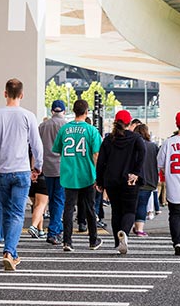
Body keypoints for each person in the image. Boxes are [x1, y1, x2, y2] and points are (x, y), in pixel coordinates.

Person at [0, 78, 43, 271]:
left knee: (7, 211)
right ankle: (9, 252)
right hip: (22, 170)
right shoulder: (28, 116)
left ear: (5, 93)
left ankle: (12, 253)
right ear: (22, 95)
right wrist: (38, 166)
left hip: (1, 171)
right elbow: (36, 145)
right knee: (18, 213)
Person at [51, 99, 103, 252]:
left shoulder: (64, 129)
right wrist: (98, 174)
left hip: (68, 173)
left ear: (73, 111)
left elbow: (58, 149)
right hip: (87, 174)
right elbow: (96, 154)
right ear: (86, 112)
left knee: (68, 208)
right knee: (90, 208)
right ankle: (93, 240)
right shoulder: (92, 130)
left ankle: (67, 241)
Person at [95, 109, 144, 255]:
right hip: (129, 180)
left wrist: (100, 181)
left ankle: (118, 242)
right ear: (129, 123)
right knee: (129, 210)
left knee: (116, 211)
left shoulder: (109, 139)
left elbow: (101, 161)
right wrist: (136, 172)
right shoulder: (136, 138)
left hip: (111, 180)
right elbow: (143, 154)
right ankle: (124, 234)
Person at [159, 111, 180, 255]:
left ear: (176, 124)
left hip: (174, 185)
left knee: (175, 215)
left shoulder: (168, 142)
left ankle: (177, 242)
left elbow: (160, 163)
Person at [38, 99, 68, 244]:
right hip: (62, 167)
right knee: (59, 200)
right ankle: (53, 231)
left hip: (47, 167)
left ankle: (57, 228)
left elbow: (36, 147)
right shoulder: (66, 126)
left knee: (53, 198)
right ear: (64, 111)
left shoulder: (43, 126)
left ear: (51, 111)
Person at [132, 124, 159, 237]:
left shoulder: (133, 146)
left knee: (133, 204)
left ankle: (132, 225)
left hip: (134, 179)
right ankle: (139, 229)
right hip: (149, 179)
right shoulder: (153, 146)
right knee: (142, 204)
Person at [26, 153, 49, 239]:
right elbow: (36, 156)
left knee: (37, 206)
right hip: (41, 175)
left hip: (29, 177)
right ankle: (34, 226)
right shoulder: (40, 145)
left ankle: (41, 230)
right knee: (41, 205)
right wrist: (34, 170)